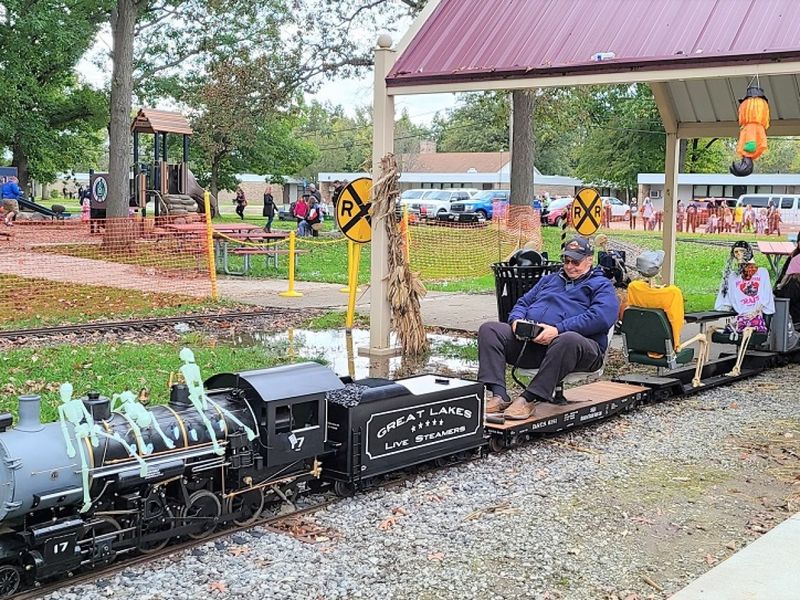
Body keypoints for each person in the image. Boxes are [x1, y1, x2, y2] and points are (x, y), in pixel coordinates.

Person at [479, 236, 619, 420]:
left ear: (589, 260)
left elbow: (601, 317)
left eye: (575, 262)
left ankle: (528, 399)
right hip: (535, 344)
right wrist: (516, 321)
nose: (569, 266)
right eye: (566, 261)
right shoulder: (549, 280)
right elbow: (523, 302)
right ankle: (499, 395)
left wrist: (558, 330)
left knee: (567, 339)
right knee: (490, 330)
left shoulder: (602, 285)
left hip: (581, 350)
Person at [715, 241, 775, 335]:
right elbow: (726, 301)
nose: (739, 254)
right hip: (740, 318)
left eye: (742, 251)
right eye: (736, 252)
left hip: (756, 316)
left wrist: (756, 312)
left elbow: (766, 297)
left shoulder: (762, 273)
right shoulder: (732, 277)